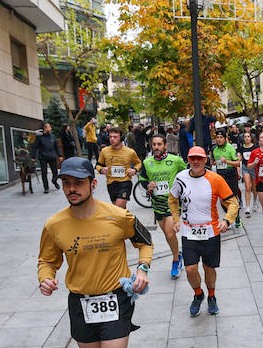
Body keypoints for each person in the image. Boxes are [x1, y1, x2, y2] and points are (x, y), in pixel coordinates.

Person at [38, 157, 153, 348]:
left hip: (115, 299)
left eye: (78, 183)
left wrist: (143, 268)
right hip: (80, 304)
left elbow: (145, 240)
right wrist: (45, 277)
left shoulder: (118, 216)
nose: (72, 189)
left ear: (93, 184)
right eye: (66, 183)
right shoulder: (54, 225)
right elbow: (47, 259)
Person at [170, 146, 239, 317]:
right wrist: (176, 219)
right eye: (192, 158)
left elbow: (233, 202)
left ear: (205, 160)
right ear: (187, 159)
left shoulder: (215, 179)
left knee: (209, 268)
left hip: (210, 232)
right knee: (191, 269)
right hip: (189, 232)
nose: (196, 161)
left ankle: (212, 297)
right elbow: (172, 200)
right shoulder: (181, 178)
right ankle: (198, 294)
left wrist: (227, 220)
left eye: (199, 158)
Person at [142, 135, 188, 279]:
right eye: (154, 144)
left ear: (165, 146)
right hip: (157, 204)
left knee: (170, 233)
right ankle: (177, 253)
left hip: (172, 203)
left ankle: (176, 260)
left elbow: (186, 173)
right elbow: (143, 180)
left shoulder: (175, 160)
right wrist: (148, 186)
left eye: (159, 144)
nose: (156, 147)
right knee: (168, 235)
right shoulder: (147, 162)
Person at [96, 127, 143, 208]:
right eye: (110, 137)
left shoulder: (130, 151)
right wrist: (101, 170)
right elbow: (98, 165)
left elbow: (138, 163)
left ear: (121, 137)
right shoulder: (104, 151)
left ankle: (130, 220)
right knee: (120, 211)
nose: (112, 139)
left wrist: (134, 170)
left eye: (115, 137)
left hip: (125, 183)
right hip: (111, 184)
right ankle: (130, 220)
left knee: (118, 208)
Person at [211, 128, 242, 205]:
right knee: (222, 198)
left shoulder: (230, 147)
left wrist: (226, 161)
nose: (219, 139)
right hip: (220, 175)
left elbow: (238, 163)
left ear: (225, 138)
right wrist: (214, 162)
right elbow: (213, 161)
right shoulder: (214, 149)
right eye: (217, 137)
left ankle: (236, 216)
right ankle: (228, 215)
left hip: (231, 174)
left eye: (221, 137)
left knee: (233, 197)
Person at [34, 122, 60, 193]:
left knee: (55, 172)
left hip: (52, 156)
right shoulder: (39, 137)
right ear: (45, 128)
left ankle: (54, 181)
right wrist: (33, 157)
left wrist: (59, 155)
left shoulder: (53, 137)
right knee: (44, 173)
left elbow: (56, 147)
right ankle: (46, 187)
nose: (51, 128)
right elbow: (35, 147)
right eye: (49, 127)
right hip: (43, 157)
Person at [238, 131, 257, 217]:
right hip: (246, 168)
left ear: (251, 138)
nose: (246, 138)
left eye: (248, 136)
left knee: (254, 187)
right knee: (247, 187)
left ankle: (255, 201)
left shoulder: (255, 147)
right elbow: (239, 159)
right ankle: (248, 207)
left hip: (254, 168)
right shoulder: (241, 148)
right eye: (245, 137)